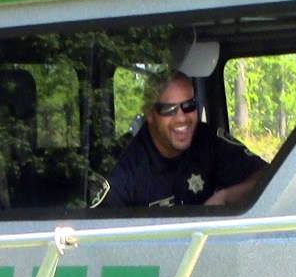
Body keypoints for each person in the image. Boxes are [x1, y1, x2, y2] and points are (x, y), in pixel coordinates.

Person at [99, 72, 266, 207]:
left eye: (189, 106)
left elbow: (267, 177)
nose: (181, 118)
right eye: (169, 110)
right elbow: (102, 235)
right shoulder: (123, 165)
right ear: (149, 114)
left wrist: (226, 197)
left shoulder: (208, 140)